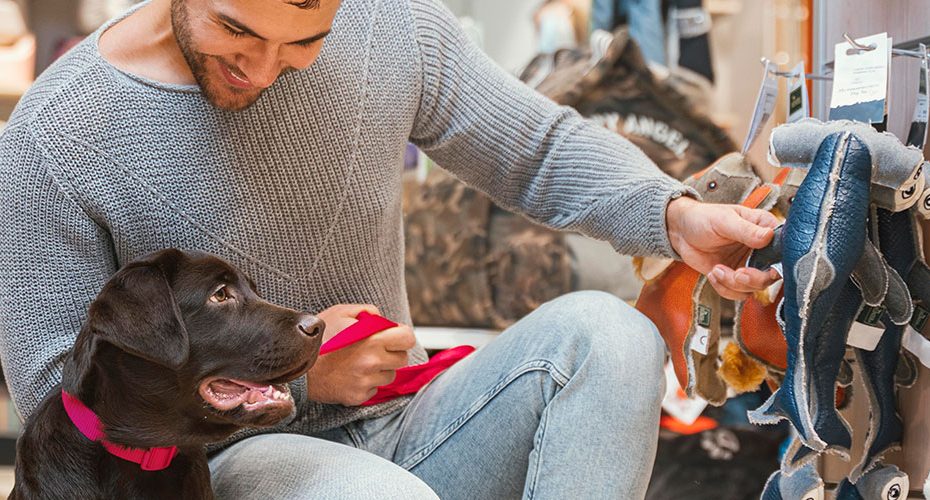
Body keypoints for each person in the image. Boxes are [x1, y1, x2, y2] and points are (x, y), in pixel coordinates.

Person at [0, 0, 779, 497]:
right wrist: (301, 383)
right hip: (233, 461)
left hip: (416, 420)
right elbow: (59, 403)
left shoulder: (390, 26)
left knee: (614, 336)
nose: (263, 70)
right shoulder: (56, 134)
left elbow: (534, 149)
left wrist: (672, 215)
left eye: (304, 41)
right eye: (236, 29)